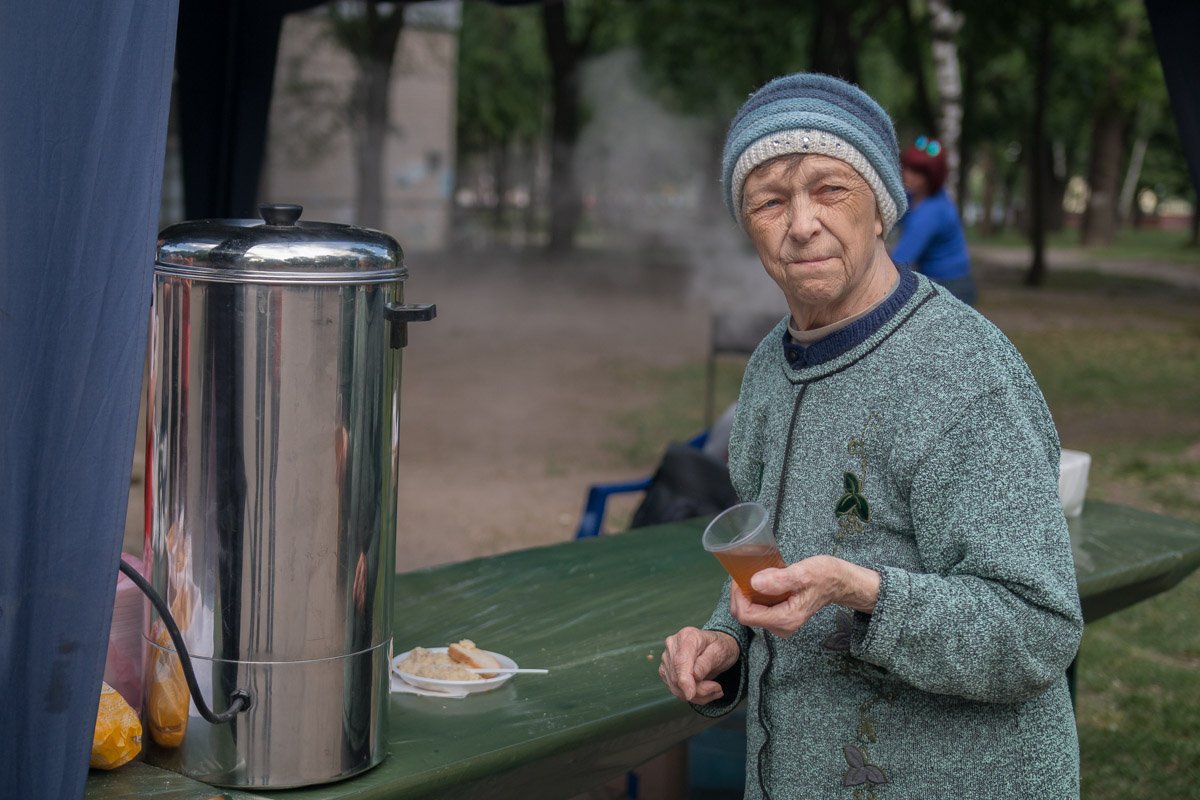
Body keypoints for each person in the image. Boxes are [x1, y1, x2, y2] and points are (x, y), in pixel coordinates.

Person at [658, 73, 1082, 799]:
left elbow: (1036, 632)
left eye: (830, 190)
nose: (800, 224)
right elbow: (772, 559)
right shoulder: (769, 367)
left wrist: (861, 592)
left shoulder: (962, 377)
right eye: (769, 200)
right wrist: (725, 637)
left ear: (881, 208)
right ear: (747, 225)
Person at [890, 134, 977, 305]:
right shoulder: (913, 197)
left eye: (917, 172)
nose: (907, 175)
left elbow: (900, 261)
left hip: (952, 286)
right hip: (938, 280)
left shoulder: (932, 212)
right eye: (906, 168)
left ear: (931, 176)